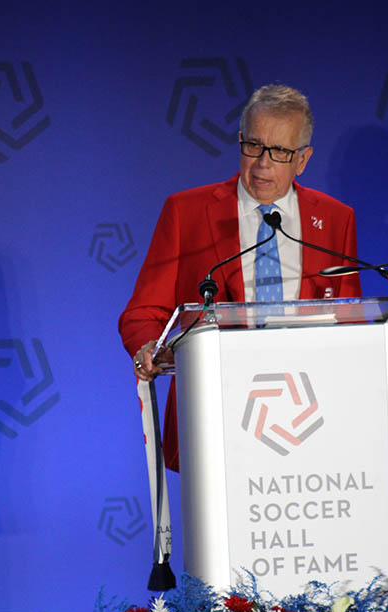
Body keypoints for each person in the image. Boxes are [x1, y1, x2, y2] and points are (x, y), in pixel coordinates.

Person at [118, 84, 364, 471]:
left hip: (311, 417)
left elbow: (351, 319)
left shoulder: (335, 219)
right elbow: (143, 312)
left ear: (302, 159)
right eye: (254, 146)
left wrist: (387, 347)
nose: (263, 163)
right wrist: (148, 346)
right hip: (214, 414)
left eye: (280, 152)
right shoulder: (187, 211)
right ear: (239, 142)